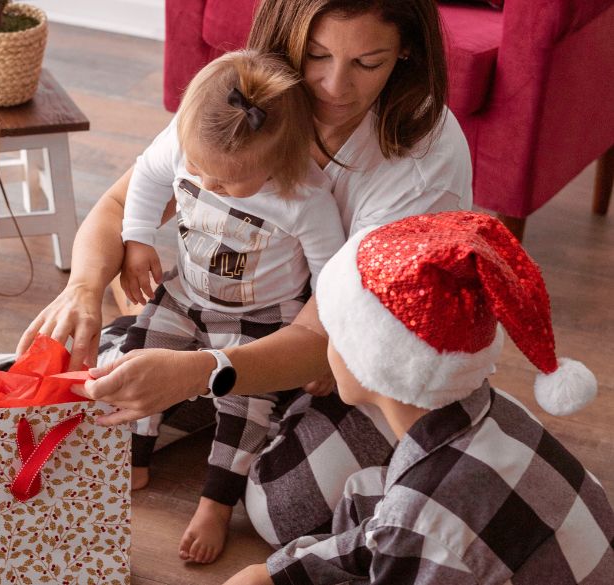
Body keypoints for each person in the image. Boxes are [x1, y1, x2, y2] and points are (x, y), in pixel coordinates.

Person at [19, 0, 471, 559]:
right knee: (99, 401)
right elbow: (125, 200)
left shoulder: (420, 166)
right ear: (287, 38)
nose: (333, 85)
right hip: (227, 323)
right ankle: (240, 412)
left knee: (279, 510)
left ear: (405, 50)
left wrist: (202, 371)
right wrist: (84, 286)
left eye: (367, 63)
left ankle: (377, 446)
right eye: (317, 56)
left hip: (357, 351)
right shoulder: (247, 96)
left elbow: (327, 330)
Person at [222, 211, 612, 585]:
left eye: (333, 331)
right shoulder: (496, 412)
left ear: (368, 356)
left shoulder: (420, 511)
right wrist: (279, 573)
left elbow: (413, 522)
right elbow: (396, 525)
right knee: (365, 490)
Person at [119, 49, 345, 563]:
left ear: (278, 163)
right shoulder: (183, 147)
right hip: (187, 292)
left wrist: (329, 346)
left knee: (246, 403)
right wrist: (136, 239)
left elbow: (333, 277)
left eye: (223, 183)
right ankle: (134, 455)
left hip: (264, 318)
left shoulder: (305, 199)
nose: (204, 184)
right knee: (137, 352)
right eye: (197, 172)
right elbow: (149, 177)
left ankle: (217, 500)